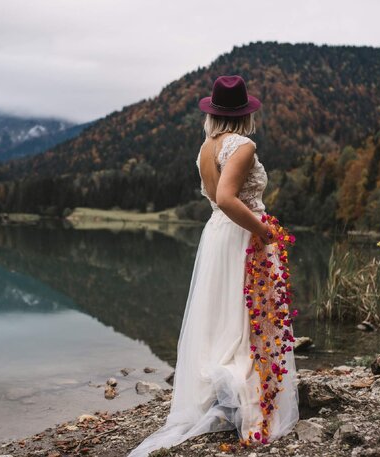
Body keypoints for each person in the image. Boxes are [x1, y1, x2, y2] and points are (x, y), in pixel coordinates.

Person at [127, 75, 299, 457]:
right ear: (245, 114)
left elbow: (216, 200)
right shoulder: (243, 145)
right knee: (245, 321)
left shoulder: (207, 147)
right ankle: (247, 401)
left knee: (223, 318)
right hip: (240, 235)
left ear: (213, 113)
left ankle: (218, 400)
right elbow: (226, 197)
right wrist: (263, 231)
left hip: (218, 236)